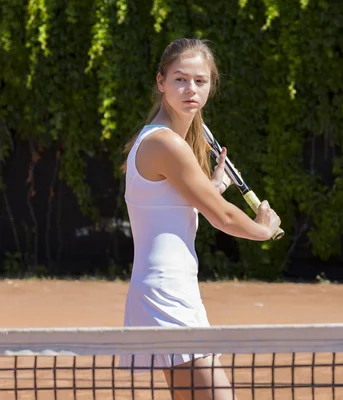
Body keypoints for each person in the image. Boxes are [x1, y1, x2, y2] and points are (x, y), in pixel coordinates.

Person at [117, 38, 281, 400]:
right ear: (161, 82)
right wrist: (264, 230)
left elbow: (172, 207)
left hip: (170, 288)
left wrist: (213, 186)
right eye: (180, 79)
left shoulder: (164, 142)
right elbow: (221, 216)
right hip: (166, 293)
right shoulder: (166, 143)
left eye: (200, 81)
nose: (190, 89)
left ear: (211, 85)